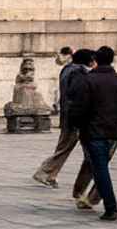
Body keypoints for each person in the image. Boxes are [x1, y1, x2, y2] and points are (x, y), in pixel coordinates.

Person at [67, 45, 117, 221]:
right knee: (100, 167)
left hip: (93, 131)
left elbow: (79, 107)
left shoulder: (87, 80)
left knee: (100, 169)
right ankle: (93, 198)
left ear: (95, 60)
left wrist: (76, 125)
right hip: (113, 132)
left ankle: (111, 207)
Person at [34, 48, 94, 188]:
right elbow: (78, 95)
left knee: (65, 146)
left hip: (68, 115)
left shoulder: (68, 70)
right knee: (67, 146)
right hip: (75, 116)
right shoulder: (78, 72)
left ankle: (50, 174)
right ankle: (45, 172)